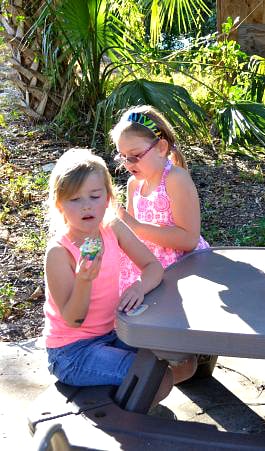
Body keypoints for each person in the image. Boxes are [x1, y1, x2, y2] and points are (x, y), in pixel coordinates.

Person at [43, 148, 172, 403]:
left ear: (108, 198)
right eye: (75, 199)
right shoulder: (60, 252)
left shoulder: (112, 228)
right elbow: (74, 319)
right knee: (154, 378)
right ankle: (125, 428)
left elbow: (153, 267)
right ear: (60, 205)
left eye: (94, 195)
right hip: (71, 353)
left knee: (166, 358)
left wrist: (138, 286)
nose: (87, 206)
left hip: (111, 335)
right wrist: (83, 280)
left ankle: (125, 407)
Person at [110, 105, 209, 379]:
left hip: (182, 263)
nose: (128, 164)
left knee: (168, 320)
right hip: (150, 261)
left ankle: (179, 363)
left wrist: (135, 225)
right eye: (122, 157)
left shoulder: (175, 179)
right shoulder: (134, 185)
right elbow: (134, 234)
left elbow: (188, 238)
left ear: (161, 147)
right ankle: (145, 356)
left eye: (135, 156)